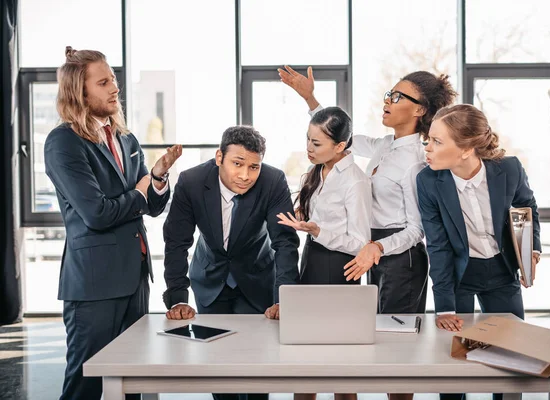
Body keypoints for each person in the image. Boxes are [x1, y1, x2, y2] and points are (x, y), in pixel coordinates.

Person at [44, 47, 181, 400]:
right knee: (85, 384)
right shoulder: (63, 142)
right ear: (80, 91)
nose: (114, 88)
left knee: (132, 379)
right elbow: (97, 213)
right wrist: (139, 190)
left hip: (135, 277)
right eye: (103, 82)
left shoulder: (126, 139)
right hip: (93, 285)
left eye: (114, 80)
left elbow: (151, 206)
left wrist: (158, 178)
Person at [278, 66, 456, 318]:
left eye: (397, 97)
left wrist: (379, 248)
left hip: (400, 260)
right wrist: (310, 99)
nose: (388, 101)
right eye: (389, 94)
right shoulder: (384, 145)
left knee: (394, 343)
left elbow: (417, 230)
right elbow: (337, 137)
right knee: (373, 334)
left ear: (419, 109)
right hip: (372, 252)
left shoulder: (416, 160)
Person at [162, 125, 300, 400]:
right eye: (237, 164)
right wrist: (178, 297)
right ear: (219, 157)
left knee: (257, 370)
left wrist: (285, 298)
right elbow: (177, 241)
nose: (245, 175)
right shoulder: (191, 182)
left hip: (257, 279)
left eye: (254, 167)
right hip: (210, 279)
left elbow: (284, 242)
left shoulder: (273, 181)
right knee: (217, 366)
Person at [416, 104, 541, 400]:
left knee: (510, 359)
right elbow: (438, 245)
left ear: (466, 149)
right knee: (454, 363)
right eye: (428, 140)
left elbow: (527, 208)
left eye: (437, 141)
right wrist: (444, 304)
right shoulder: (428, 182)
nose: (427, 148)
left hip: (501, 269)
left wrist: (530, 251)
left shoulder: (508, 168)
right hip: (459, 274)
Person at [275, 106, 371, 400]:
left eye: (316, 144)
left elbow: (360, 243)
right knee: (303, 365)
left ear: (340, 146)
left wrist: (318, 231)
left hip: (339, 270)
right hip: (313, 261)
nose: (308, 148)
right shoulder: (319, 170)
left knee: (342, 368)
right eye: (307, 140)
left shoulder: (355, 180)